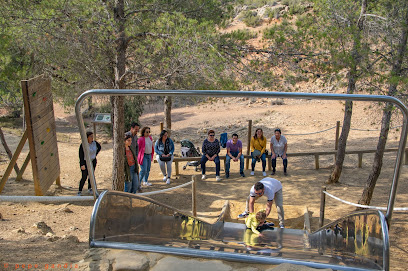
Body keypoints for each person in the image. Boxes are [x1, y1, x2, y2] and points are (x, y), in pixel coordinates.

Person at [77, 131, 101, 196]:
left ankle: (90, 188)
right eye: (90, 136)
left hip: (92, 161)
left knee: (91, 175)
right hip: (85, 162)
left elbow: (99, 147)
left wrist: (95, 154)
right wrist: (82, 164)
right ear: (87, 137)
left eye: (92, 136)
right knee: (84, 176)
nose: (92, 138)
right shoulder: (83, 144)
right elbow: (81, 155)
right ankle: (79, 190)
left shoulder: (95, 143)